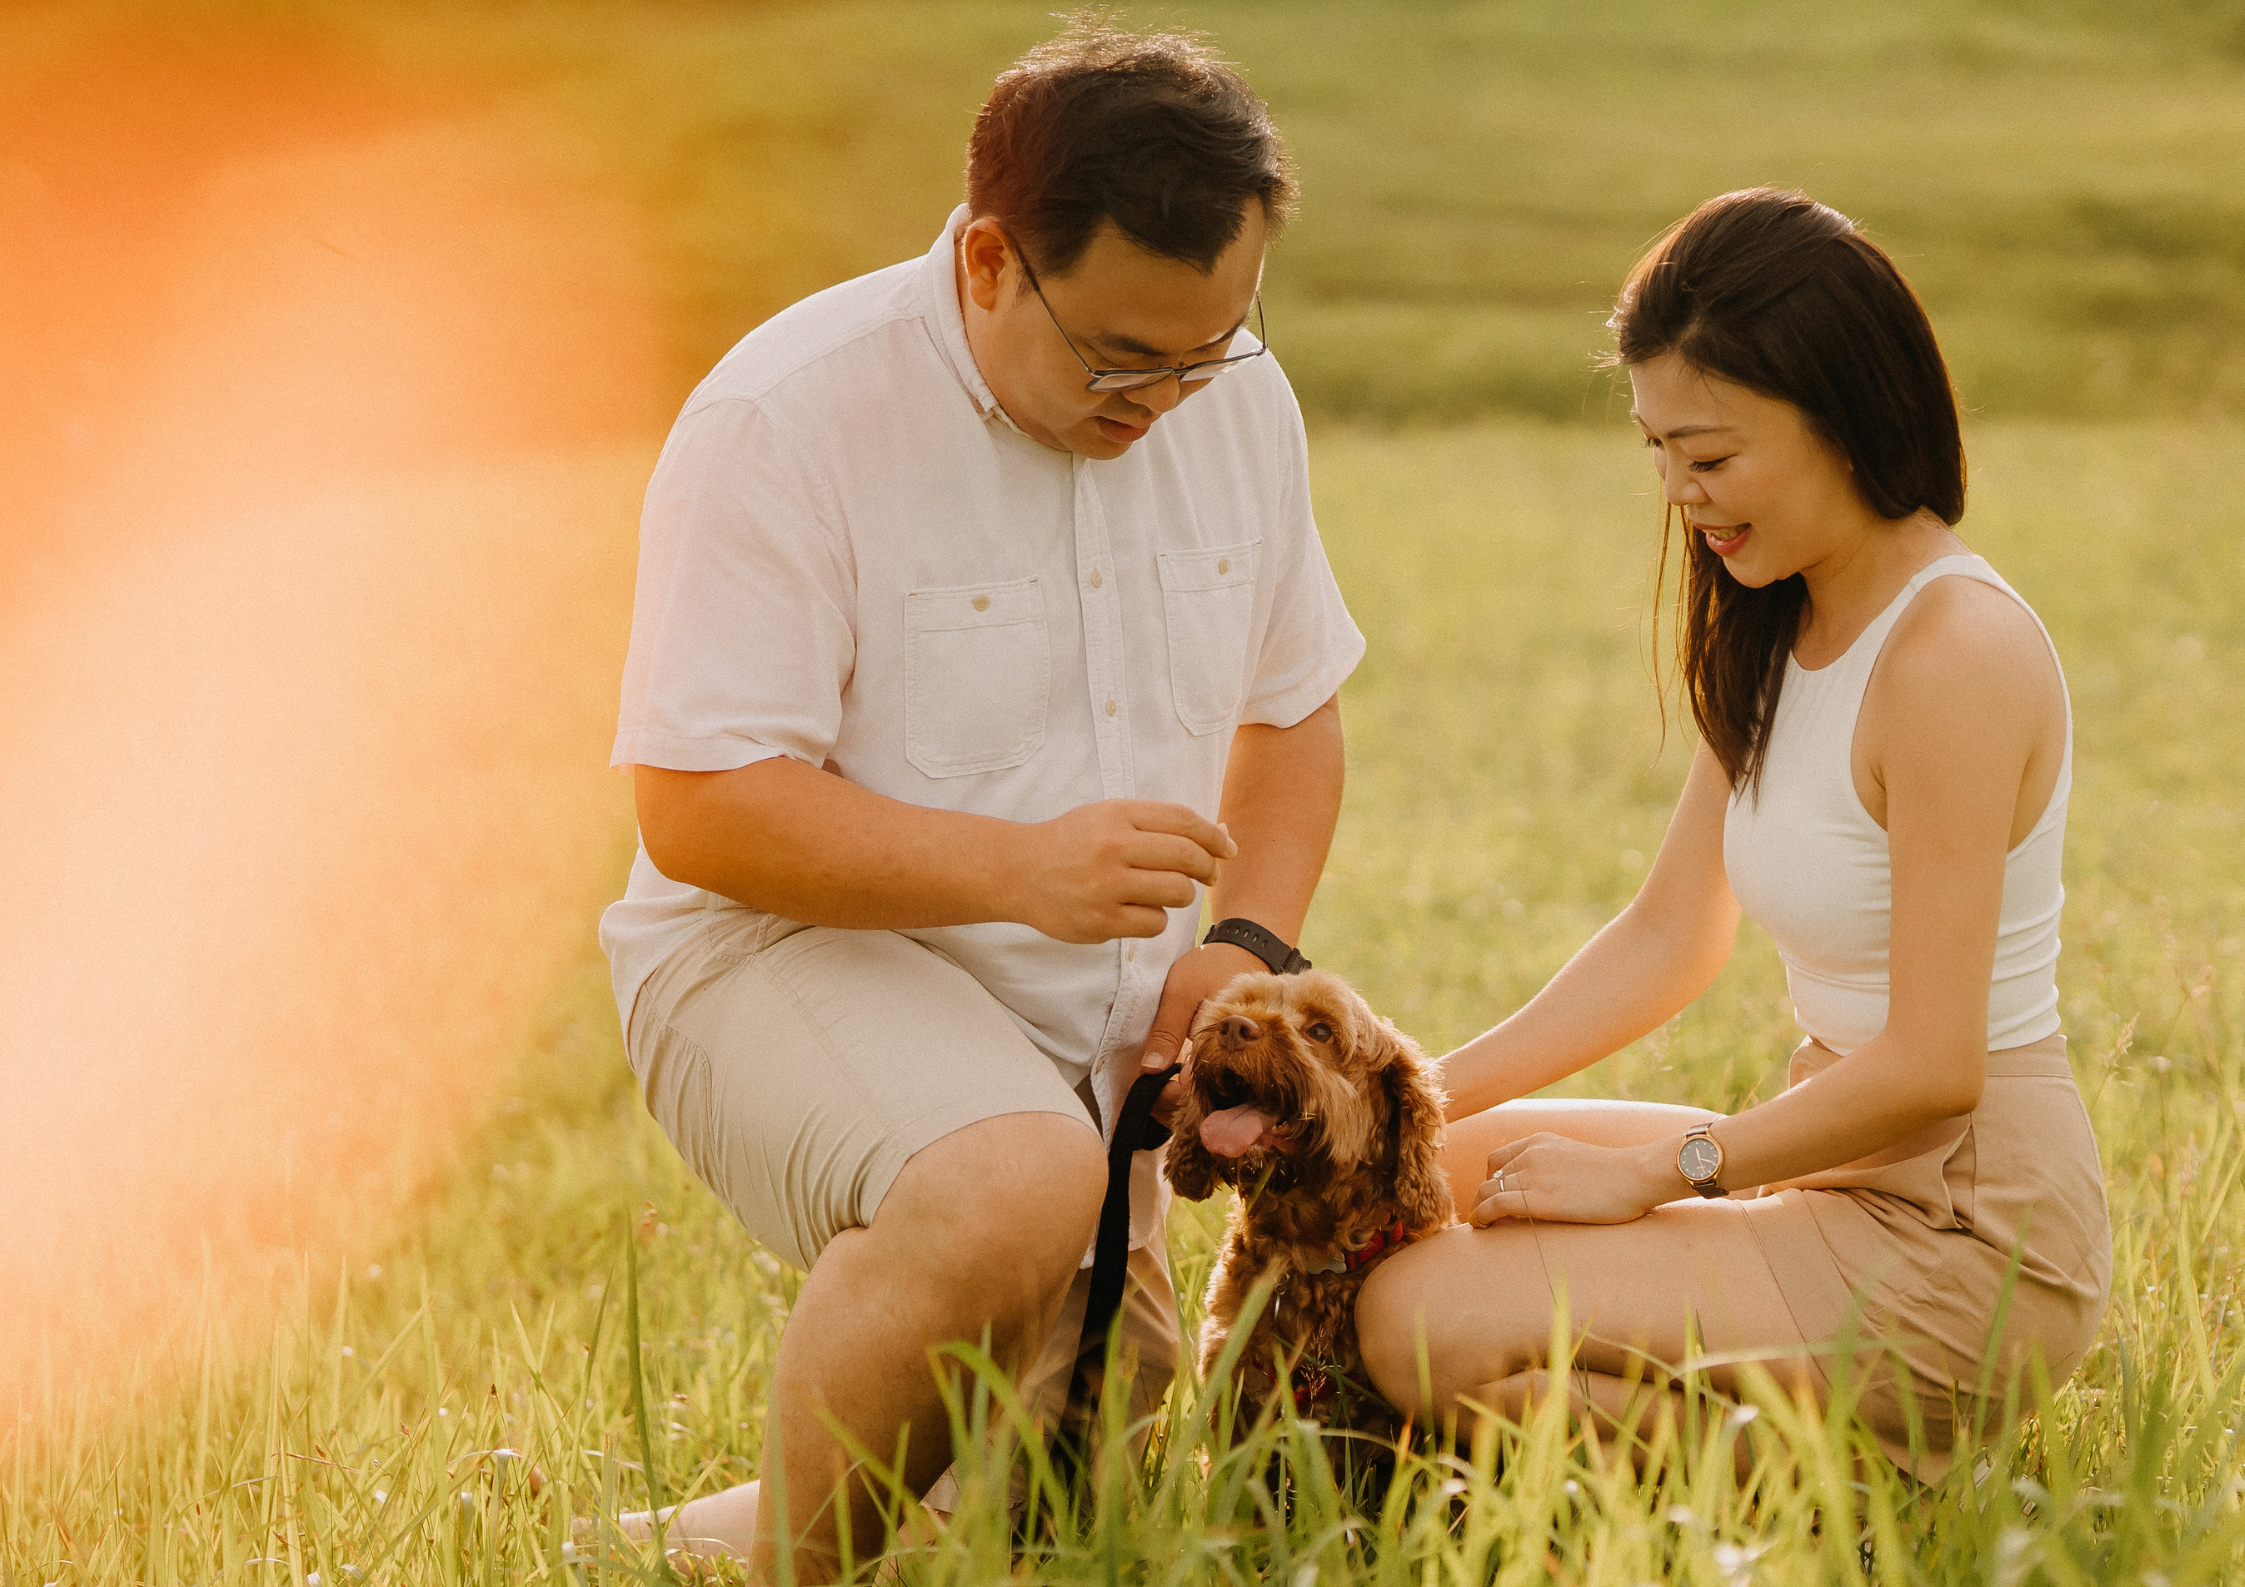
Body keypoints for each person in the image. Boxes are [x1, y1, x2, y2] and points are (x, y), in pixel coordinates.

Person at [595, 18, 1363, 1575]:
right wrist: (1018, 870)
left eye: (1207, 348)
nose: (1168, 394)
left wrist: (1248, 946)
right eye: (1121, 356)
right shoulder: (786, 419)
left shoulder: (1237, 401)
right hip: (766, 953)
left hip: (1085, 1026)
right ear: (992, 262)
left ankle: (651, 1549)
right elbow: (702, 805)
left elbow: (1294, 716)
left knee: (1089, 1493)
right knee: (1012, 1182)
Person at [1352, 188, 2112, 1481]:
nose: (1681, 496)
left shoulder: (1952, 655)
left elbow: (1935, 1064)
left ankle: (1872, 1487)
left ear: (1845, 415)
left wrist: (1663, 1170)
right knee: (1429, 1182)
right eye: (1658, 453)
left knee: (1410, 1318)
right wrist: (1411, 1099)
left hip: (1965, 1228)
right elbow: (1667, 937)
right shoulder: (1780, 618)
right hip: (1834, 1161)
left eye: (1709, 456)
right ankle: (1732, 1440)